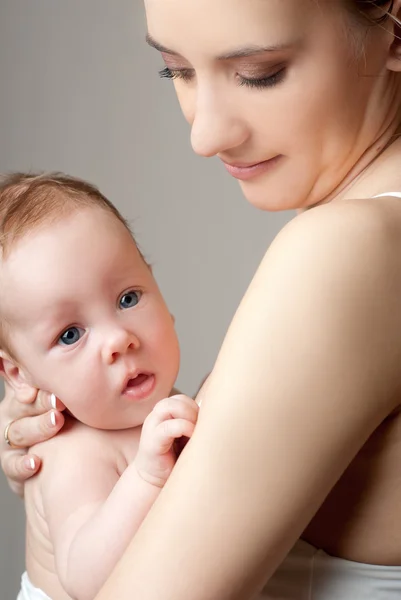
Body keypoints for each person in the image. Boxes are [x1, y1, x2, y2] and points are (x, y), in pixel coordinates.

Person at [2, 0, 401, 598]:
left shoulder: (348, 251)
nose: (204, 133)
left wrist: (49, 538)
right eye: (176, 70)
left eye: (258, 72)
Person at [0, 172, 198, 600]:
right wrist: (145, 477)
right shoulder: (70, 450)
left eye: (128, 298)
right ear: (20, 374)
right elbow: (87, 577)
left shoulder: (164, 405)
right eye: (70, 334)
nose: (117, 339)